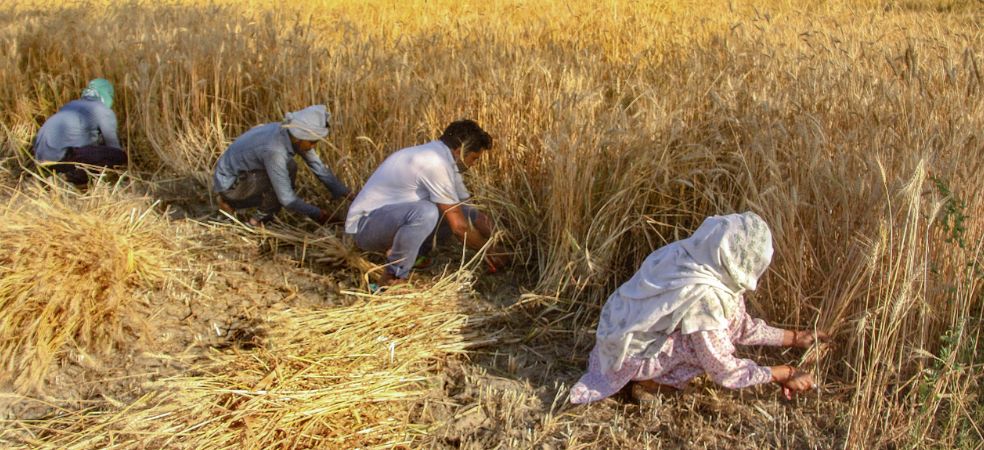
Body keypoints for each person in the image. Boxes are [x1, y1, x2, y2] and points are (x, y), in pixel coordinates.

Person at [569, 212, 830, 405]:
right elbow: (722, 368)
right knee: (702, 345)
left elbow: (738, 325)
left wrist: (795, 338)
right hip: (628, 357)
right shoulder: (706, 293)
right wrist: (783, 373)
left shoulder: (697, 257)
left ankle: (648, 377)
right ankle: (649, 382)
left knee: (710, 334)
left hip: (615, 342)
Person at [345, 119, 507, 287]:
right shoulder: (434, 163)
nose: (473, 165)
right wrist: (489, 251)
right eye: (474, 158)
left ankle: (415, 256)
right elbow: (459, 228)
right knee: (426, 212)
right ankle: (393, 277)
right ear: (460, 151)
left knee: (454, 210)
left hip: (384, 220)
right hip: (364, 227)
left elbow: (470, 213)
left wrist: (504, 242)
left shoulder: (442, 160)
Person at [212, 104, 352, 226]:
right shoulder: (275, 150)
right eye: (312, 142)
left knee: (287, 168)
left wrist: (346, 194)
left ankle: (238, 205)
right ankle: (255, 220)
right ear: (300, 137)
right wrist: (319, 215)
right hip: (230, 185)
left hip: (242, 175)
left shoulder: (291, 134)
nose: (313, 146)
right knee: (286, 170)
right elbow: (287, 199)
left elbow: (319, 168)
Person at [33, 78, 127, 185]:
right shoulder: (103, 111)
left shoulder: (71, 105)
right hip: (63, 159)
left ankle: (51, 176)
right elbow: (113, 146)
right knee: (118, 155)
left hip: (41, 160)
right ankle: (66, 179)